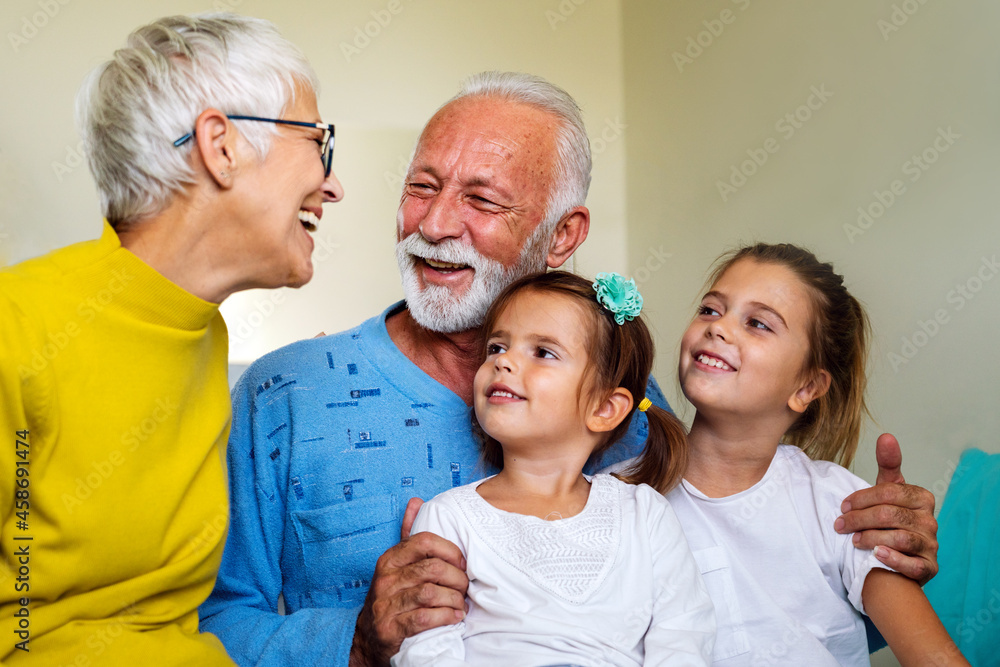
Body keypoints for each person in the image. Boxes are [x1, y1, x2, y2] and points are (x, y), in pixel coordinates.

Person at [201, 72, 939, 667]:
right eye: (421, 186)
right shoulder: (284, 392)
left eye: (481, 199)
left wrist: (875, 547)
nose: (432, 225)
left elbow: (748, 607)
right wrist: (354, 642)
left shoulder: (633, 416)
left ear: (563, 235)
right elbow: (205, 627)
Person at [0, 13, 343, 665]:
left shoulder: (203, 331)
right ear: (222, 145)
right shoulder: (17, 326)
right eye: (318, 141)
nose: (333, 183)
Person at [625, 243, 965, 665]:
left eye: (757, 323)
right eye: (711, 310)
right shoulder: (627, 492)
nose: (718, 328)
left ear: (806, 387)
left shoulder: (843, 508)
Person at [393, 271, 714, 666]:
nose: (503, 361)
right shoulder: (449, 517)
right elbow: (427, 648)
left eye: (543, 352)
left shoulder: (644, 514)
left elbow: (683, 634)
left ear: (604, 408)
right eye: (495, 347)